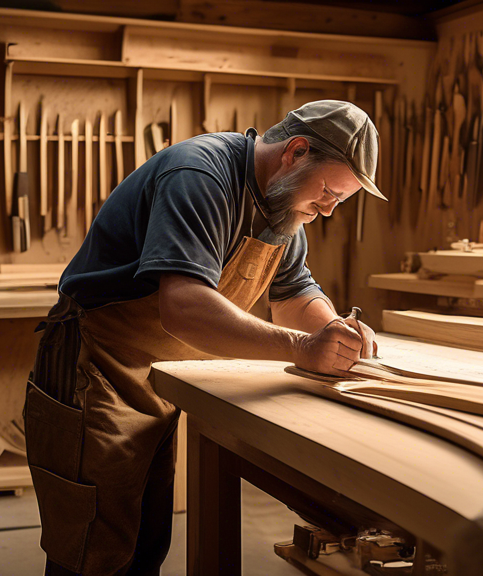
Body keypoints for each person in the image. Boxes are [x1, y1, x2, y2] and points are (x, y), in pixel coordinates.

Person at [24, 100, 384, 575]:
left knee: (144, 545)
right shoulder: (200, 174)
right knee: (92, 550)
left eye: (341, 199)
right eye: (330, 192)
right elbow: (183, 308)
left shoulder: (283, 208)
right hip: (95, 368)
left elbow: (294, 291)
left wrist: (333, 330)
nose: (330, 208)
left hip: (155, 377)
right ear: (296, 152)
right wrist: (301, 348)